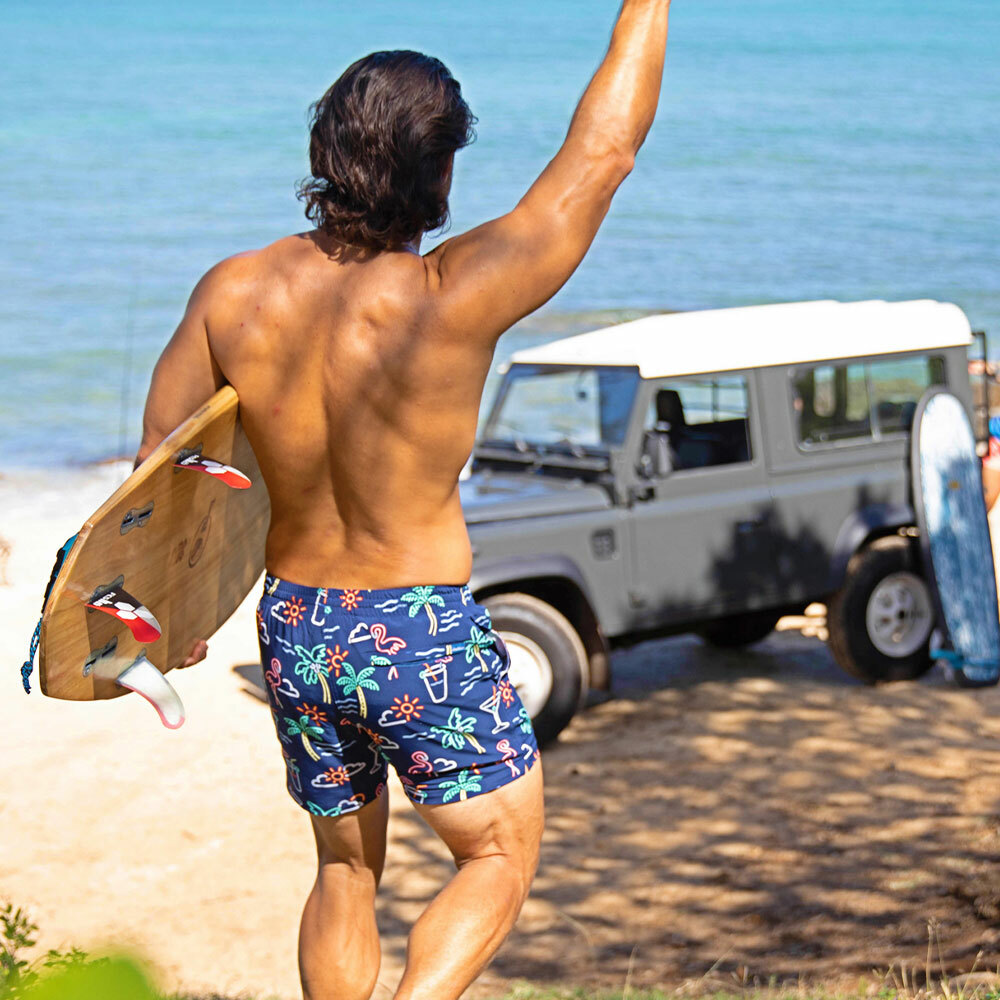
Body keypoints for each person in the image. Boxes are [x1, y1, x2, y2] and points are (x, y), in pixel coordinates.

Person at [134, 2, 671, 997]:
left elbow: (159, 472)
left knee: (343, 867)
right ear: (440, 173)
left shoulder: (230, 294)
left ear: (324, 149)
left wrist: (171, 616)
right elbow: (604, 152)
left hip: (294, 621)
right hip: (412, 621)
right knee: (496, 858)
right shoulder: (452, 294)